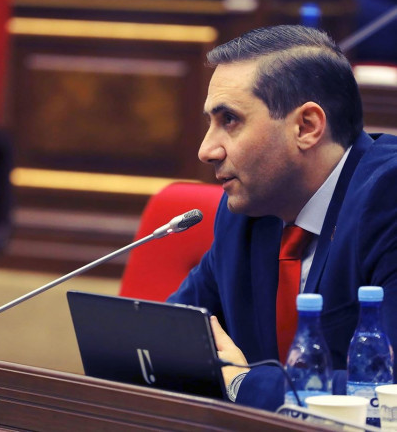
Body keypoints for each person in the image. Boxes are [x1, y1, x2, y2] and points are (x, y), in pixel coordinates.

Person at [167, 24, 397, 411]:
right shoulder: (248, 209)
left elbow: (386, 393)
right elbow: (170, 336)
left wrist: (242, 384)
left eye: (230, 120)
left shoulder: (387, 198)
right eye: (210, 123)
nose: (207, 150)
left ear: (306, 127)